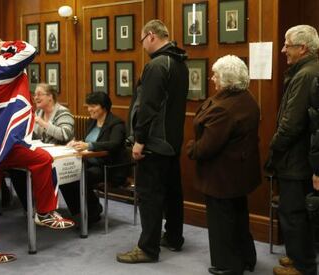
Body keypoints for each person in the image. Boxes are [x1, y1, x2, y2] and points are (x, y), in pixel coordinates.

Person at [0, 33, 74, 265]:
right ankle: (45, 212)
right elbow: (29, 49)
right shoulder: (3, 66)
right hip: (0, 143)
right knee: (41, 159)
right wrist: (7, 45)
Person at [117, 19, 188, 263]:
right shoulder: (180, 63)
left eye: (141, 40)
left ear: (150, 36)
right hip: (172, 141)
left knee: (149, 196)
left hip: (155, 143)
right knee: (172, 192)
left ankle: (147, 248)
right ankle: (174, 237)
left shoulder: (157, 65)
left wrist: (139, 140)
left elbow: (148, 107)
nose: (142, 45)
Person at [187, 55, 260, 275]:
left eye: (216, 75)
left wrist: (191, 147)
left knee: (221, 223)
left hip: (222, 176)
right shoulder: (247, 98)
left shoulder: (224, 109)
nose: (212, 78)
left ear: (227, 80)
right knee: (238, 217)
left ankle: (228, 266)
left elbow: (206, 148)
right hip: (239, 172)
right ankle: (247, 258)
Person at [265, 25, 319, 275]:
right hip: (301, 157)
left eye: (288, 45)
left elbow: (291, 123)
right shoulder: (307, 71)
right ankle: (299, 256)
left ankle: (303, 266)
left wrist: (274, 147)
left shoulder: (305, 75)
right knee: (296, 212)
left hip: (296, 159)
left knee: (294, 212)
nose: (284, 49)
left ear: (303, 48)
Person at [64, 92, 130, 224]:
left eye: (93, 106)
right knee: (65, 176)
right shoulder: (92, 121)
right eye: (88, 106)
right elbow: (88, 140)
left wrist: (89, 145)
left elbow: (114, 144)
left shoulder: (117, 124)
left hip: (108, 167)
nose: (89, 109)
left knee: (80, 177)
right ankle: (79, 211)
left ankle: (93, 211)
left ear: (104, 107)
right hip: (89, 162)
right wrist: (77, 142)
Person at [7, 83, 74, 210]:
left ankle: (43, 208)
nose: (35, 98)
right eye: (34, 95)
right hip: (44, 155)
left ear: (50, 97)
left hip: (63, 159)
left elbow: (65, 134)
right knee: (16, 170)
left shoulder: (63, 113)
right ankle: (31, 208)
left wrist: (43, 123)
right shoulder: (38, 112)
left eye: (39, 94)